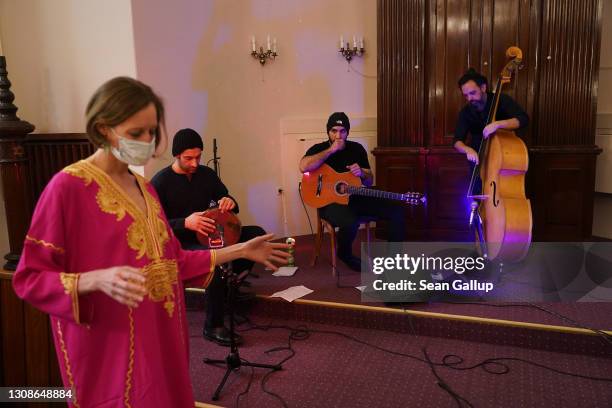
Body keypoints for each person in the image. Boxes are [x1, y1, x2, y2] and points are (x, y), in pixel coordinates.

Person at [11, 77, 289, 408]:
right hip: (110, 346)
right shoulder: (68, 188)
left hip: (161, 336)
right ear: (103, 128)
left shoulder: (145, 189)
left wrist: (241, 249)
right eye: (135, 133)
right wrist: (93, 279)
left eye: (151, 132)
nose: (146, 141)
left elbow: (174, 262)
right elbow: (29, 277)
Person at [151, 128, 265, 346]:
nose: (195, 163)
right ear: (177, 155)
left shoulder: (207, 174)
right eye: (188, 158)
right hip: (184, 242)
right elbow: (156, 227)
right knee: (212, 259)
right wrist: (185, 222)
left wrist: (228, 200)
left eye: (198, 157)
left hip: (213, 235)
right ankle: (213, 326)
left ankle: (229, 288)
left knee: (255, 236)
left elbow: (230, 202)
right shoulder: (160, 182)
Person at [299, 112, 406, 271]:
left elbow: (369, 181)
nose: (338, 135)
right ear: (328, 131)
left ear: (348, 132)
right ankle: (345, 254)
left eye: (342, 131)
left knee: (397, 210)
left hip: (354, 197)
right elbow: (303, 167)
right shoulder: (319, 148)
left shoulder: (357, 149)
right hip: (329, 203)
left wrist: (362, 173)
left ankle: (394, 261)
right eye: (334, 130)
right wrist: (331, 150)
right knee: (350, 221)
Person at [453, 68, 529, 193]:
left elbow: (523, 119)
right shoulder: (466, 112)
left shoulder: (501, 100)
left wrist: (499, 124)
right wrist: (468, 149)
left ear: (483, 87)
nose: (469, 99)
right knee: (477, 197)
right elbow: (457, 141)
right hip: (479, 163)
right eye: (465, 95)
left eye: (472, 93)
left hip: (504, 160)